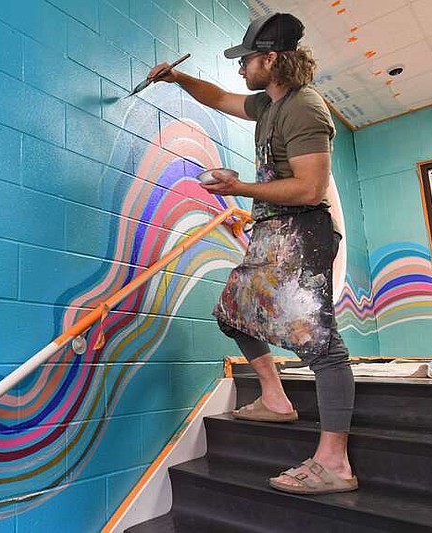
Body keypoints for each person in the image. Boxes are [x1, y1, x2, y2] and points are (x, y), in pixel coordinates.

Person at [148, 12, 357, 495]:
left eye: (247, 60)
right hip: (272, 231)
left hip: (302, 233)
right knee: (232, 314)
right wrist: (178, 78)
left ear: (272, 59)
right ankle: (275, 398)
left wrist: (239, 187)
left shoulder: (305, 108)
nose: (240, 68)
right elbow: (220, 98)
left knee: (320, 346)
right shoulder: (269, 103)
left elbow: (310, 188)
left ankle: (336, 463)